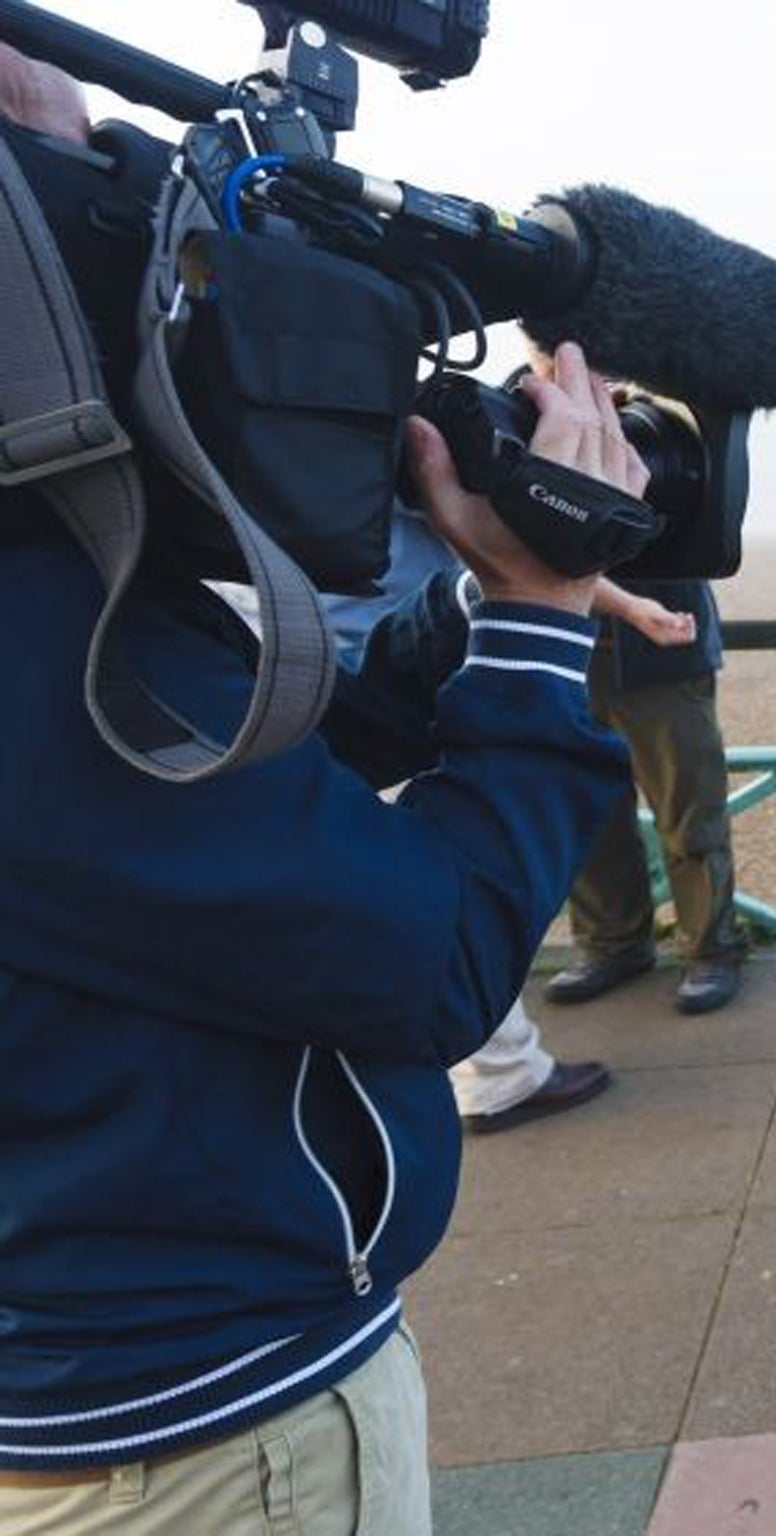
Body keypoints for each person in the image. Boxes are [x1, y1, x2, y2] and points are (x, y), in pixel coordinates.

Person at [0, 46, 645, 1530]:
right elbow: (432, 964)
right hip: (208, 1429)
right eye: (61, 150)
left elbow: (226, 822)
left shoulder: (69, 617)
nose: (128, 197)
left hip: (83, 1358)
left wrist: (471, 620)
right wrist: (544, 625)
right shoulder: (52, 655)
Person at [326, 502, 696, 1135]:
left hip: (343, 674)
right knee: (443, 906)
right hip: (401, 677)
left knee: (415, 905)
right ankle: (503, 1076)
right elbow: (507, 547)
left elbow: (507, 560)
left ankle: (504, 1070)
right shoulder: (386, 464)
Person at [543, 572, 746, 1015]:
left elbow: (711, 534)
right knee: (588, 815)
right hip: (562, 647)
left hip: (664, 642)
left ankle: (712, 949)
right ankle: (612, 944)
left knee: (690, 811)